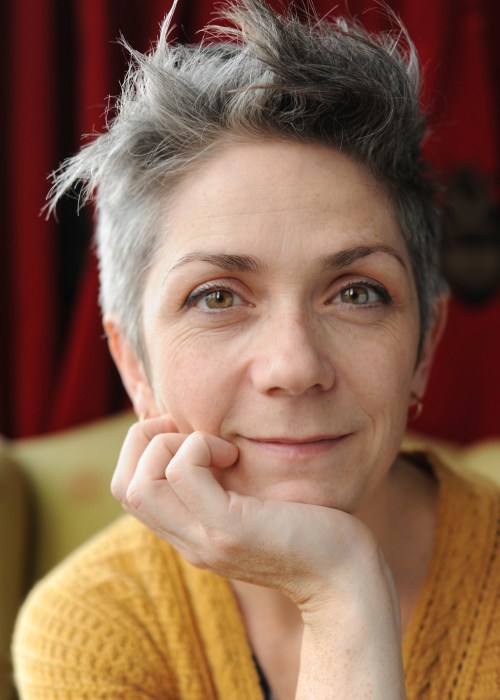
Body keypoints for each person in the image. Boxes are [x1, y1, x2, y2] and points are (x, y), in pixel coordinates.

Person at [12, 1, 500, 698]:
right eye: (217, 297)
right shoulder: (93, 626)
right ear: (132, 365)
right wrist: (339, 588)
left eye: (357, 293)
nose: (295, 367)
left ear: (424, 346)